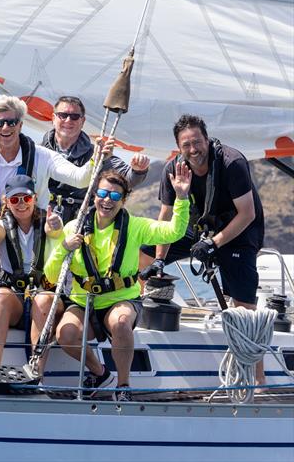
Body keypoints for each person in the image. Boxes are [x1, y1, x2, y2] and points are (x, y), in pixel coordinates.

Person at [45, 165, 191, 402]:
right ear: (94, 196)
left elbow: (174, 232)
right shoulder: (74, 228)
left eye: (114, 196)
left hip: (121, 299)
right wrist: (63, 247)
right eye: (102, 194)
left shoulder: (136, 227)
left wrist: (181, 197)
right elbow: (51, 276)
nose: (107, 201)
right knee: (66, 334)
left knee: (121, 323)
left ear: (123, 200)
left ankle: (123, 385)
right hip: (83, 301)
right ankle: (101, 374)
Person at [138, 114, 266, 384]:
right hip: (198, 228)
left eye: (197, 142)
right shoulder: (173, 170)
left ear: (207, 140)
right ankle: (137, 319)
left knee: (243, 309)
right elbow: (166, 217)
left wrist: (214, 243)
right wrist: (159, 259)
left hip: (238, 231)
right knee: (144, 253)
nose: (193, 149)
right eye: (186, 145)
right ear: (178, 147)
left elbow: (247, 213)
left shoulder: (232, 163)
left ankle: (258, 381)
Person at [0, 95, 115, 213]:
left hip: (33, 234)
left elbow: (80, 179)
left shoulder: (43, 157)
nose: (5, 127)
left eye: (12, 122)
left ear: (20, 125)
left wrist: (95, 159)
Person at [0, 175, 64, 373]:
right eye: (14, 199)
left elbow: (54, 230)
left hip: (45, 296)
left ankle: (37, 374)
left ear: (35, 198)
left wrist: (56, 226)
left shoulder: (48, 220)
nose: (21, 204)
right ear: (6, 202)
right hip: (16, 299)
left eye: (26, 199)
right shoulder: (3, 224)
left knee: (44, 300)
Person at [42, 96, 150, 224]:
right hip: (42, 218)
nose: (68, 120)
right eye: (63, 115)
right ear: (53, 118)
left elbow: (128, 178)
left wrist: (138, 169)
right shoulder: (38, 152)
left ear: (82, 121)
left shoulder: (97, 154)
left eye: (75, 116)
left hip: (79, 222)